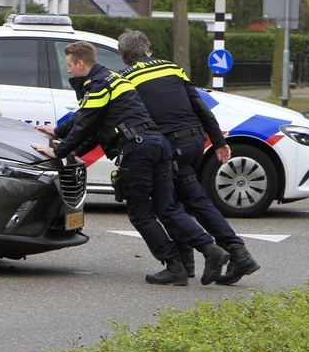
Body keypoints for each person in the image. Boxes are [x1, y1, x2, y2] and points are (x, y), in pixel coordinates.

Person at [31, 41, 229, 286]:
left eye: (70, 65)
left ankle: (174, 266)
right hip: (158, 144)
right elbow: (87, 121)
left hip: (137, 150)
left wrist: (59, 150)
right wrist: (60, 135)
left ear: (81, 63)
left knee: (140, 214)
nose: (69, 70)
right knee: (168, 208)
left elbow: (85, 123)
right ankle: (211, 250)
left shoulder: (98, 85)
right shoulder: (114, 79)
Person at [117, 30, 260, 285]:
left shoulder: (127, 79)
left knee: (181, 203)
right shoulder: (173, 68)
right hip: (194, 141)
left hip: (170, 147)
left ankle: (236, 253)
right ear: (148, 49)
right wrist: (218, 141)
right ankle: (188, 263)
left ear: (125, 57)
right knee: (182, 200)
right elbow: (199, 105)